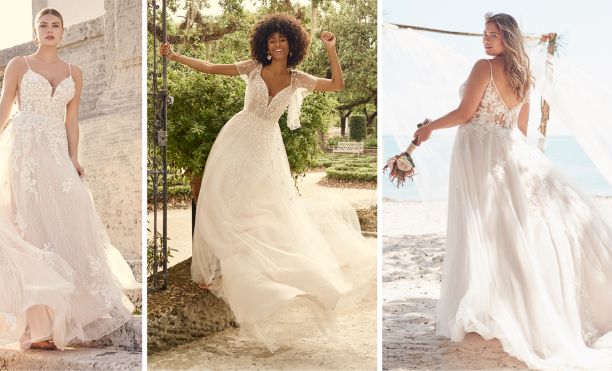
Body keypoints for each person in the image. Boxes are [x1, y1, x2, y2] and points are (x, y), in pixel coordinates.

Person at [0, 8, 140, 355]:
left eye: (55, 26)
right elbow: (3, 110)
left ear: (64, 32)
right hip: (24, 154)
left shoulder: (74, 73)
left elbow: (72, 122)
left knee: (68, 225)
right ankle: (39, 329)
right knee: (30, 233)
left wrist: (74, 160)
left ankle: (70, 315)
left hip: (56, 157)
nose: (49, 30)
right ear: (36, 33)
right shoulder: (20, 64)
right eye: (43, 25)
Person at [158, 13, 378, 353]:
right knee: (219, 200)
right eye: (272, 40)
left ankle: (267, 273)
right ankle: (214, 269)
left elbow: (337, 86)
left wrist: (331, 49)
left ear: (292, 44)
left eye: (282, 40)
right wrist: (175, 57)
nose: (276, 45)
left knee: (258, 208)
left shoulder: (297, 79)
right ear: (265, 43)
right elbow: (211, 66)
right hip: (236, 140)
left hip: (265, 149)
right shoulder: (251, 68)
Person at [413, 12, 612, 369]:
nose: (486, 40)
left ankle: (507, 309)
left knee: (489, 231)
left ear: (508, 37)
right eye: (484, 34)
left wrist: (429, 130)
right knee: (510, 232)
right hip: (511, 154)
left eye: (493, 35)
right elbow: (522, 128)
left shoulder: (483, 67)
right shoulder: (525, 77)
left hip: (481, 156)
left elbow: (463, 112)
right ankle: (517, 307)